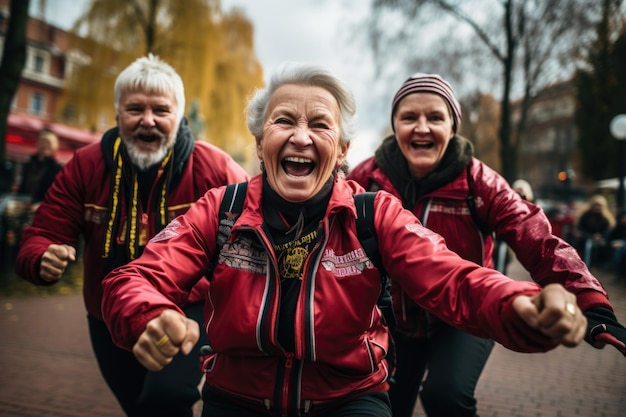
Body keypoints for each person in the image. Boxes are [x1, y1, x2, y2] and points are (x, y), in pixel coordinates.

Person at [101, 63, 596, 417]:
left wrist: (522, 304)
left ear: (340, 150)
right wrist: (148, 312)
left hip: (351, 399)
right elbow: (135, 276)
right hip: (236, 399)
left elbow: (455, 278)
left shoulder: (373, 214)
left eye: (319, 124)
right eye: (284, 121)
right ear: (259, 142)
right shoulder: (221, 208)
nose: (300, 136)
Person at [347, 73, 626, 417]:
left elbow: (535, 235)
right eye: (409, 117)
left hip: (466, 314)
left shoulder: (479, 181)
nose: (422, 127)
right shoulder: (365, 179)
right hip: (395, 320)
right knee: (388, 405)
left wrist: (589, 299)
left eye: (435, 117)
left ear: (453, 127)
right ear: (395, 126)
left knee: (445, 396)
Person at [15, 54, 249, 417]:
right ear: (117, 114)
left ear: (179, 116)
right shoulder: (86, 165)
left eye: (161, 110)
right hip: (107, 312)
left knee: (165, 398)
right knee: (138, 407)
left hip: (189, 308)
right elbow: (43, 231)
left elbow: (255, 231)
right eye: (135, 109)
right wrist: (40, 256)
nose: (148, 120)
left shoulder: (215, 167)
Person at [14, 128, 63, 209]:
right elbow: (21, 188)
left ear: (56, 146)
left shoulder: (58, 170)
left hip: (42, 210)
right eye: (43, 141)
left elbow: (56, 196)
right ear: (37, 143)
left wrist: (41, 205)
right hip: (22, 206)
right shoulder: (29, 164)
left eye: (49, 142)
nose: (45, 145)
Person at [574, 194, 615, 267]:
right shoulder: (585, 215)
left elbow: (607, 230)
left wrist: (600, 236)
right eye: (595, 205)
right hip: (586, 238)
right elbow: (581, 228)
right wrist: (588, 235)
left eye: (599, 205)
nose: (597, 207)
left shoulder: (605, 218)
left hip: (600, 239)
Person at [607, 209, 626, 279]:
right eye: (623, 217)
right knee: (617, 252)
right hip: (617, 248)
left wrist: (622, 243)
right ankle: (618, 274)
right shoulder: (617, 228)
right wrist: (614, 243)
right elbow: (609, 239)